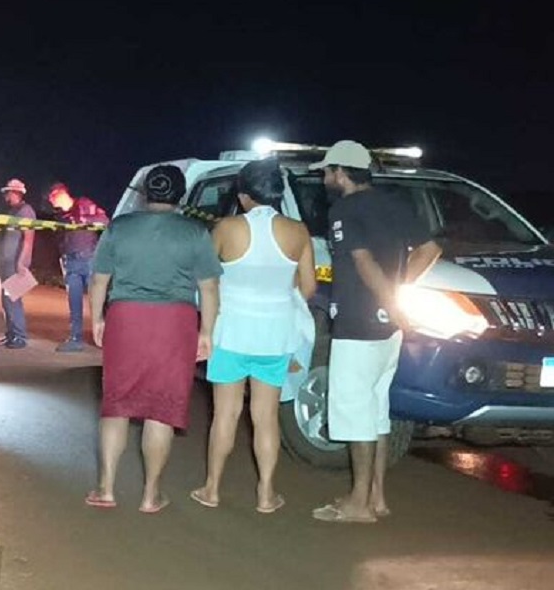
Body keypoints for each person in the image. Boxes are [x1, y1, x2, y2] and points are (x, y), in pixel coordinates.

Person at [310, 140, 441, 524]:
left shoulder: (344, 210)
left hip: (359, 323)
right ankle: (377, 497)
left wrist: (390, 302)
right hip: (388, 330)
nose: (324, 177)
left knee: (355, 412)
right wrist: (397, 295)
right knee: (376, 410)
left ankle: (358, 504)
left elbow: (363, 263)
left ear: (341, 172)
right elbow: (430, 250)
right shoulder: (393, 204)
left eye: (327, 171)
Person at [86, 165, 222, 513]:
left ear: (146, 192)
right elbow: (209, 288)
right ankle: (150, 494)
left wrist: (98, 318)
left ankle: (106, 489)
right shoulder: (195, 232)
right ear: (181, 195)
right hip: (175, 323)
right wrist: (206, 332)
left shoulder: (120, 227)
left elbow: (99, 279)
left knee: (116, 404)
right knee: (161, 409)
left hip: (126, 319)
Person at [190, 157, 316, 514]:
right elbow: (308, 287)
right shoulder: (298, 231)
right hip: (275, 336)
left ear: (243, 194)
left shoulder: (226, 228)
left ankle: (212, 489)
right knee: (265, 416)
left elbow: (205, 282)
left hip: (230, 334)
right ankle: (266, 494)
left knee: (225, 415)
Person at [47, 182, 110, 352]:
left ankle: (108, 337)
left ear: (60, 193)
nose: (52, 202)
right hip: (70, 263)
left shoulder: (83, 204)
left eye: (52, 198)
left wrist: (83, 220)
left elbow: (104, 220)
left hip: (88, 260)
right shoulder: (61, 216)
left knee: (98, 301)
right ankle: (76, 339)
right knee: (74, 304)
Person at [0, 179, 36, 349]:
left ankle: (19, 336)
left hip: (14, 264)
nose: (5, 195)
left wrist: (22, 263)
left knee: (13, 300)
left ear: (15, 192)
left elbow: (28, 239)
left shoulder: (26, 211)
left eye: (8, 192)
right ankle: (11, 334)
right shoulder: (13, 211)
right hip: (7, 263)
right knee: (6, 301)